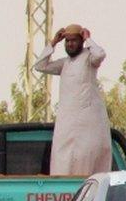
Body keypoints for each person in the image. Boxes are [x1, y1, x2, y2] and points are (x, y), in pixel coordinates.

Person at [34, 24, 111, 175]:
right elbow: (39, 66)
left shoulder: (89, 59)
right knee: (63, 160)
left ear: (81, 41)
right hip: (66, 123)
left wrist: (88, 38)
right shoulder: (64, 64)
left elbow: (100, 55)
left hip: (87, 123)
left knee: (86, 159)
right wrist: (53, 42)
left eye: (74, 40)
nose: (70, 44)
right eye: (67, 41)